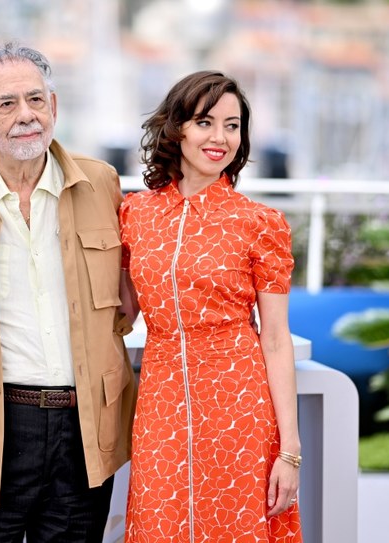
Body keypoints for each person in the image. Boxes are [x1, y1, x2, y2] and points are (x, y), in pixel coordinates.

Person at [0, 42, 137, 542]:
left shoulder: (102, 183)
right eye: (6, 104)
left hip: (86, 425)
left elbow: (129, 298)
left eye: (36, 100)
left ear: (54, 106)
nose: (26, 115)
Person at [118, 70, 303, 541]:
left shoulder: (260, 223)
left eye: (233, 125)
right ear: (176, 127)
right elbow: (121, 312)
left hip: (239, 404)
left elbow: (276, 338)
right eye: (205, 122)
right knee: (159, 522)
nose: (220, 137)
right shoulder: (135, 215)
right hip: (160, 402)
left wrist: (289, 450)